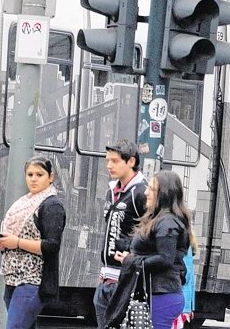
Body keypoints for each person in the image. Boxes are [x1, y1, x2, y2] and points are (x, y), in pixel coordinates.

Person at [106, 170, 192, 329]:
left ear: (164, 194)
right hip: (158, 293)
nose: (146, 192)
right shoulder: (162, 220)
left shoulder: (167, 222)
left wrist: (131, 260)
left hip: (160, 294)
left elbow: (165, 258)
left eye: (151, 189)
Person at [0, 156, 67, 329]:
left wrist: (17, 242)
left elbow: (52, 245)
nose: (33, 179)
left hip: (33, 281)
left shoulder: (52, 206)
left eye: (39, 174)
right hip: (13, 278)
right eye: (30, 174)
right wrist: (4, 243)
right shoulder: (24, 202)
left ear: (51, 177)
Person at [94, 139, 148, 329]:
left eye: (115, 161)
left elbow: (153, 235)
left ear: (131, 162)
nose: (109, 165)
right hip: (105, 277)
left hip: (126, 280)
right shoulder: (112, 190)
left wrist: (132, 255)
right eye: (107, 160)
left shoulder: (143, 192)